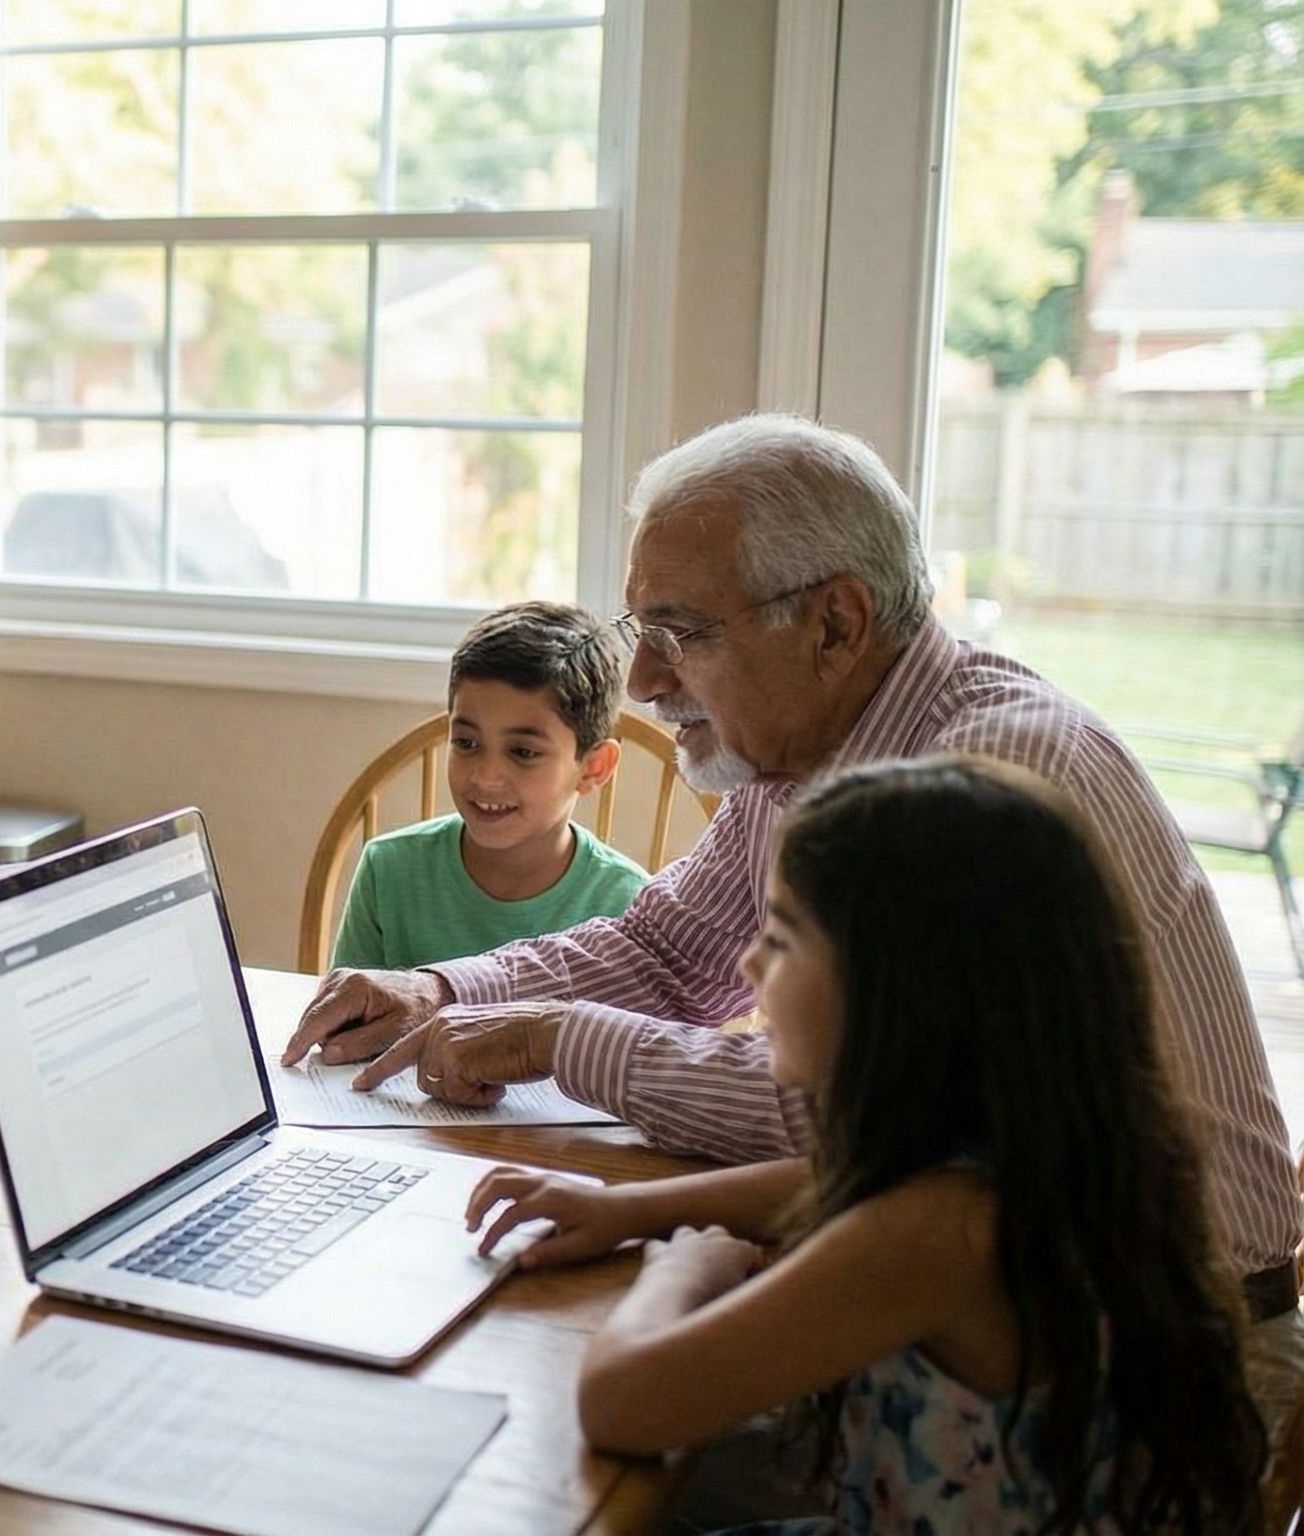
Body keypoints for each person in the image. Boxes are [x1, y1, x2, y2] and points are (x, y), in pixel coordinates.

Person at [281, 414, 1301, 1367]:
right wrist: (447, 992)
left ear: (833, 623)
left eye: (678, 632)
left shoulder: (978, 785)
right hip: (999, 1287)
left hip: (1150, 1344)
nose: (639, 680)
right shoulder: (804, 749)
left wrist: (556, 1038)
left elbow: (847, 1116)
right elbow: (668, 951)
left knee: (545, 1410)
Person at [467, 757, 1264, 1534]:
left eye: (781, 939)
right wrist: (633, 1206)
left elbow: (620, 1405)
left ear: (900, 991)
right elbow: (821, 1184)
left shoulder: (935, 1235)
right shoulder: (1045, 1157)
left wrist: (683, 1269)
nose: (751, 963)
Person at [328, 600, 648, 971]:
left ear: (594, 767)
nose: (485, 777)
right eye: (466, 743)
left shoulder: (628, 905)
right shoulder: (388, 871)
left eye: (523, 752)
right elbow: (344, 1021)